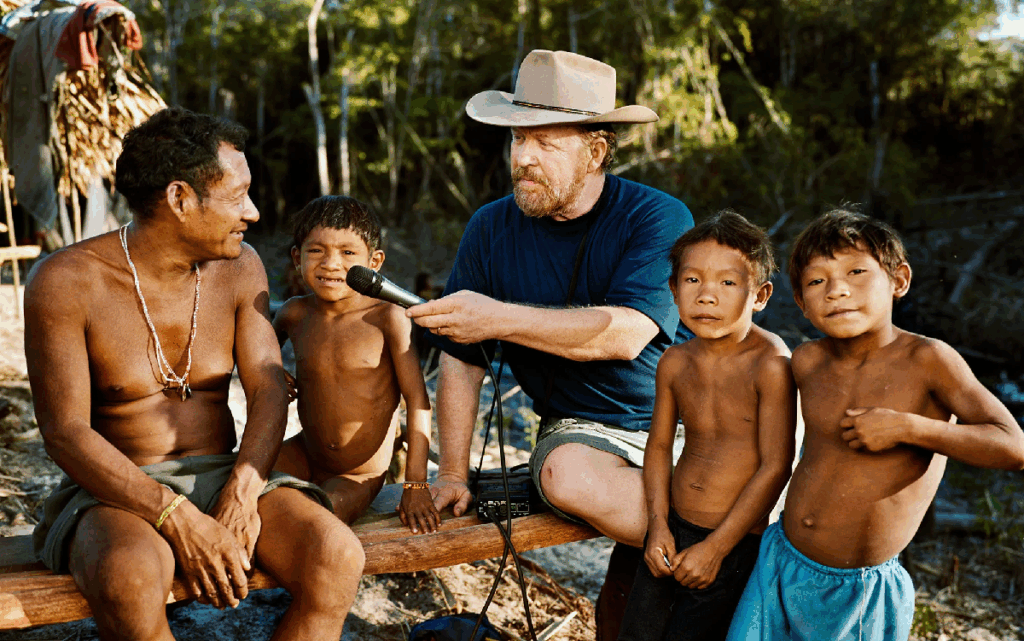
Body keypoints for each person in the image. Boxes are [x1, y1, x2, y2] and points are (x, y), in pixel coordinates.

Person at [25, 107, 362, 641]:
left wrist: (243, 489)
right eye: (237, 196)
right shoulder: (65, 281)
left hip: (229, 473)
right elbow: (65, 433)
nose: (251, 212)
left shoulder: (239, 265)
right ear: (180, 199)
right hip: (116, 490)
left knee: (336, 555)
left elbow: (269, 385)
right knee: (129, 579)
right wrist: (176, 516)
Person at [406, 49, 694, 636]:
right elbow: (462, 361)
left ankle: (714, 556)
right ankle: (719, 551)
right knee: (563, 475)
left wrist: (497, 318)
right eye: (517, 141)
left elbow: (625, 334)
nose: (524, 159)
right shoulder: (490, 227)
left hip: (686, 417)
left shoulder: (657, 217)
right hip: (582, 428)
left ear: (596, 152)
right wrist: (455, 474)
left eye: (545, 144)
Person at [725, 209, 1024, 641]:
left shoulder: (929, 360)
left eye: (857, 271)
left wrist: (909, 428)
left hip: (859, 592)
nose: (837, 290)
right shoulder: (809, 362)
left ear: (899, 280)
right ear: (802, 304)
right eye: (816, 281)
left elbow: (1013, 446)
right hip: (780, 561)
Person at [617, 212, 797, 641]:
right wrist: (657, 525)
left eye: (727, 283)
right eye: (693, 281)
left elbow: (777, 465)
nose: (707, 296)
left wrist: (717, 548)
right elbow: (659, 447)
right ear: (673, 290)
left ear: (761, 295)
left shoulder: (770, 363)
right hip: (672, 529)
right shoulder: (675, 362)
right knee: (637, 634)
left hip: (733, 542)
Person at [272, 195, 438, 533]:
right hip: (306, 451)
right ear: (296, 257)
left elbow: (419, 402)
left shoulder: (387, 318)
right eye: (316, 250)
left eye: (348, 253)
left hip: (358, 473)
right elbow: (257, 359)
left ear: (373, 262)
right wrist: (273, 372)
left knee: (312, 523)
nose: (331, 264)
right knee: (240, 489)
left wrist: (416, 484)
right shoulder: (294, 313)